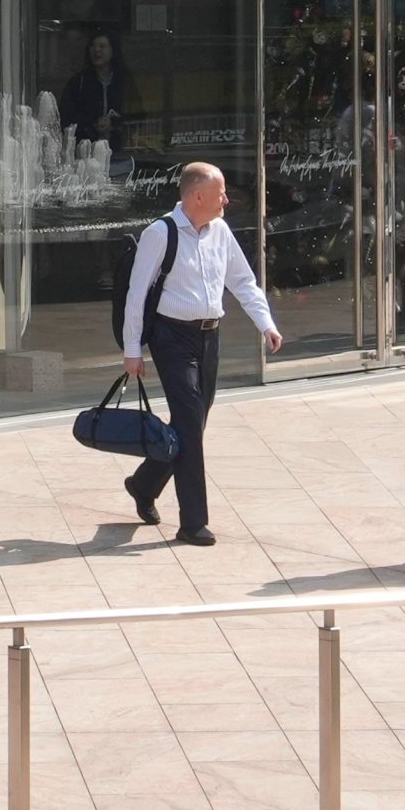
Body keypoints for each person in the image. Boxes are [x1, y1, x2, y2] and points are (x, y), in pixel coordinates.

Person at [117, 159, 281, 546]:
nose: (226, 198)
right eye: (221, 192)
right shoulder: (161, 233)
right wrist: (131, 350)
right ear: (198, 196)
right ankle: (193, 522)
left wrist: (266, 324)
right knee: (190, 423)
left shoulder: (220, 231)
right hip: (172, 339)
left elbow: (242, 281)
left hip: (210, 337)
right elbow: (136, 295)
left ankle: (144, 483)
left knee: (193, 423)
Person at [58, 32, 130, 156]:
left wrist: (113, 123)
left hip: (119, 152)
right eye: (93, 46)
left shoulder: (123, 80)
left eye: (102, 46)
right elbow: (66, 118)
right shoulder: (78, 82)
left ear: (112, 50)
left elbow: (136, 113)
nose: (96, 50)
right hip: (85, 154)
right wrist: (93, 123)